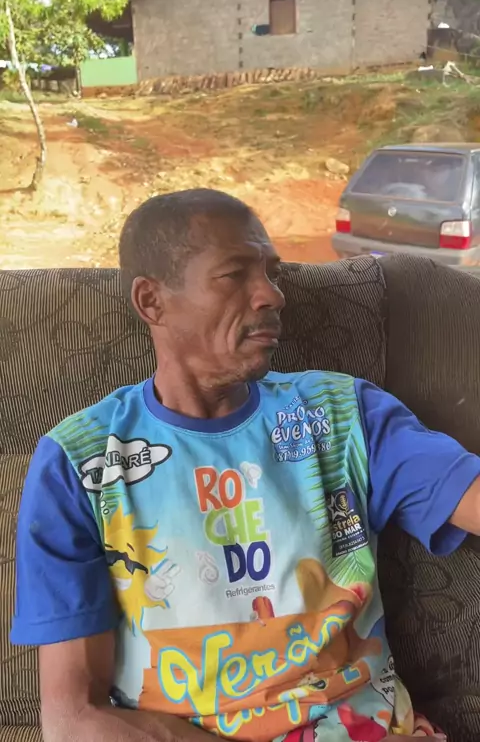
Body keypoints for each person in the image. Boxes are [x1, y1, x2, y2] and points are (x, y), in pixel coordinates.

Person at [13, 187, 480, 742]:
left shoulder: (342, 414)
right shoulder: (80, 463)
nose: (272, 295)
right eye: (235, 274)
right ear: (151, 301)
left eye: (272, 273)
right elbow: (74, 719)